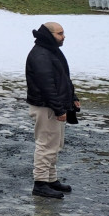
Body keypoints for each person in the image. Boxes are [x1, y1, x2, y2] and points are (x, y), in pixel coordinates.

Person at [25, 21, 80, 199]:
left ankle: (50, 179)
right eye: (60, 33)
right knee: (46, 144)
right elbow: (46, 86)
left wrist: (72, 98)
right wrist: (58, 109)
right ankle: (40, 183)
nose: (63, 36)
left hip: (53, 105)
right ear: (49, 35)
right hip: (46, 106)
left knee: (55, 144)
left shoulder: (51, 50)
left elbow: (63, 78)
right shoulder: (41, 55)